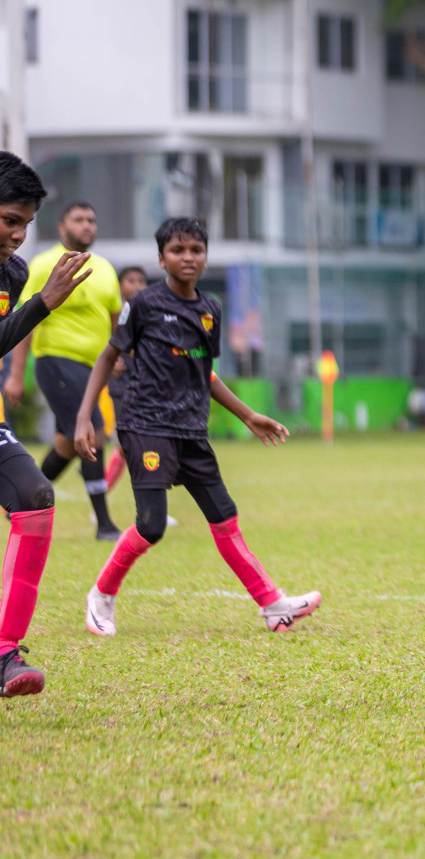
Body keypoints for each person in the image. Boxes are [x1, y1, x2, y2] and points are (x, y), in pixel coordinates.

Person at [76, 217, 321, 637]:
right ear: (161, 258)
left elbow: (205, 374)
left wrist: (248, 414)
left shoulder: (211, 310)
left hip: (191, 430)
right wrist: (84, 416)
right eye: (177, 250)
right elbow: (106, 357)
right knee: (151, 526)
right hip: (146, 425)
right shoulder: (145, 304)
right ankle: (101, 596)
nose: (187, 258)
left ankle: (272, 605)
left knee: (224, 517)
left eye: (196, 250)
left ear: (205, 257)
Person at [0, 152, 96, 697]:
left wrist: (36, 302)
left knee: (36, 495)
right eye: (9, 220)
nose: (18, 235)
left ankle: (4, 653)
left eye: (26, 225)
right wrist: (44, 305)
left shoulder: (12, 273)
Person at [4, 201, 123, 541]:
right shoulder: (43, 265)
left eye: (92, 220)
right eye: (79, 219)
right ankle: (104, 524)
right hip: (56, 361)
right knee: (93, 432)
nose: (87, 225)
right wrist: (15, 373)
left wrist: (117, 356)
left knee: (68, 445)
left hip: (93, 368)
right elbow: (22, 320)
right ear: (62, 226)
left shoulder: (105, 268)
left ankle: (20, 501)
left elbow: (115, 318)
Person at [102, 266, 149, 493]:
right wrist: (112, 362)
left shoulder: (149, 314)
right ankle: (100, 496)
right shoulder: (114, 313)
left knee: (136, 445)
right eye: (131, 281)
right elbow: (105, 344)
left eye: (141, 281)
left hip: (144, 386)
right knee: (132, 444)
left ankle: (100, 492)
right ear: (120, 286)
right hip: (121, 387)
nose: (138, 285)